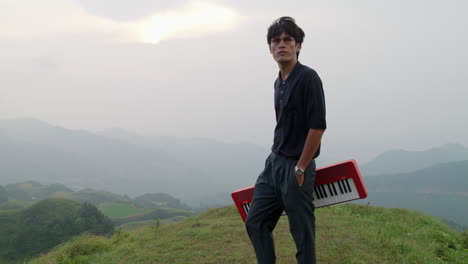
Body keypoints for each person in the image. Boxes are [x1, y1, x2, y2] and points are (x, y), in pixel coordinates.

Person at [245, 16, 326, 264]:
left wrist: (301, 166)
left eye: (287, 39)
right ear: (270, 48)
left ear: (298, 46)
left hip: (296, 166)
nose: (281, 44)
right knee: (256, 221)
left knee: (302, 234)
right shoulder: (279, 82)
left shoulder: (308, 78)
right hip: (274, 163)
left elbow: (317, 127)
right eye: (275, 40)